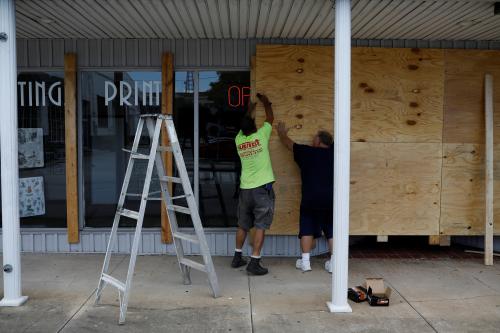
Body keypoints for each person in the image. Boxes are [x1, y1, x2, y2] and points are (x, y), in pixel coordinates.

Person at [277, 121, 334, 273]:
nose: (311, 140)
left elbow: (287, 143)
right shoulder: (335, 154)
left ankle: (306, 262)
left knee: (307, 228)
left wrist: (282, 132)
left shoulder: (307, 152)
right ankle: (334, 262)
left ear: (318, 141)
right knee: (331, 229)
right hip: (331, 199)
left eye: (314, 138)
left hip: (310, 198)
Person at [231, 93, 275, 276]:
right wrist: (266, 103)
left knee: (243, 225)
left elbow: (245, 122)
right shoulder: (262, 135)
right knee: (260, 225)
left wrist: (250, 108)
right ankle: (254, 261)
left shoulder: (239, 140)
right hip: (261, 190)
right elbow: (270, 118)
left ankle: (237, 257)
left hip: (245, 189)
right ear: (255, 127)